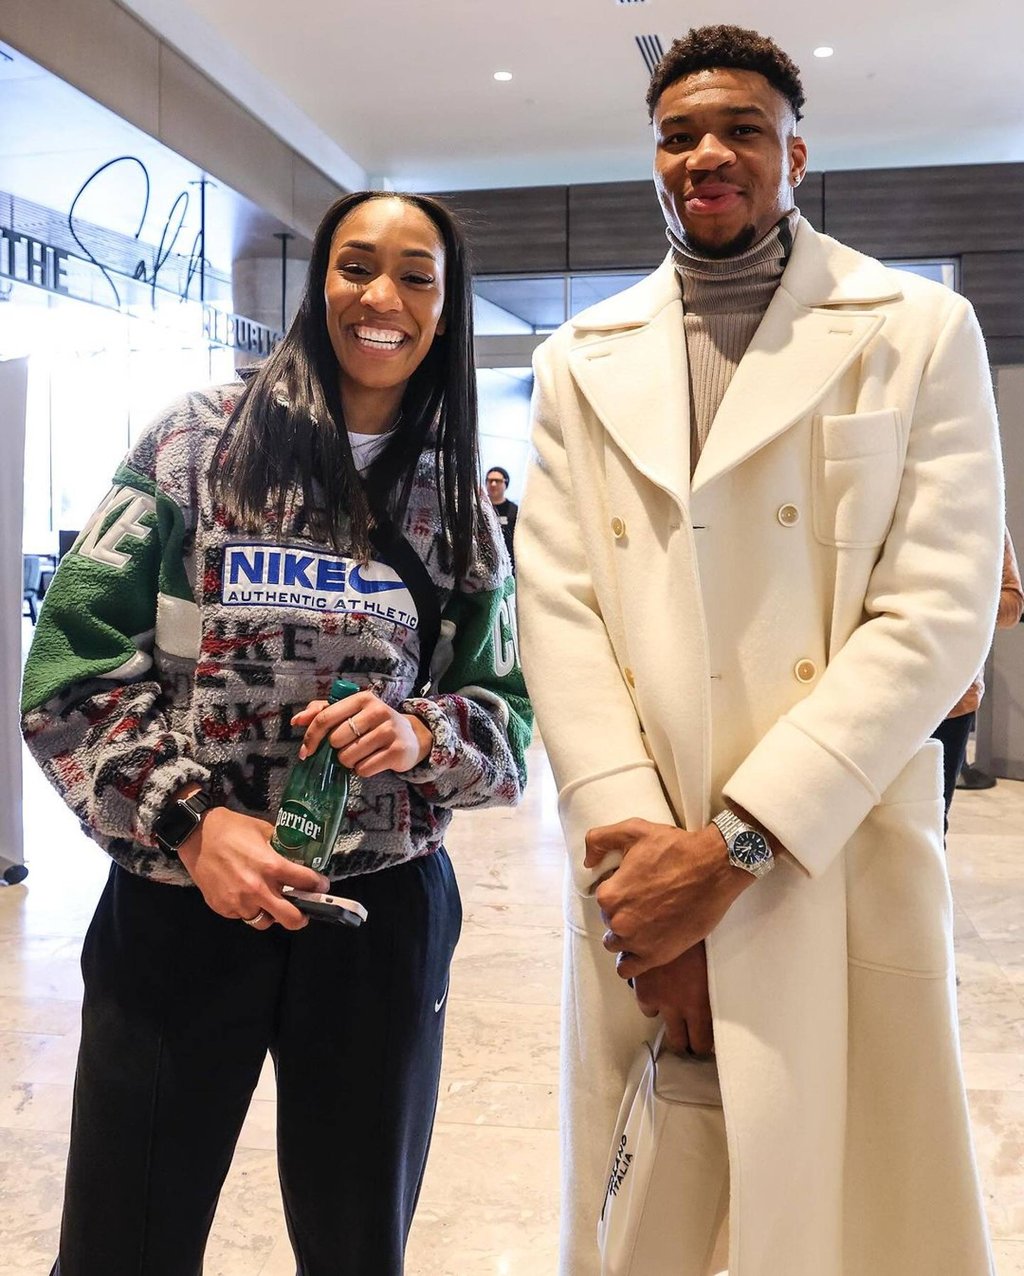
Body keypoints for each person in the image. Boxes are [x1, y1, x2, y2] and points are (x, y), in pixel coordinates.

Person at [516, 24, 1003, 1276]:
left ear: (795, 150)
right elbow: (560, 616)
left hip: (828, 854)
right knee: (655, 1216)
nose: (707, 154)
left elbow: (937, 608)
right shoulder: (578, 361)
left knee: (852, 1214)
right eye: (678, 135)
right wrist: (652, 893)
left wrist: (728, 857)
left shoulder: (916, 327)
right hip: (644, 872)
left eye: (739, 129)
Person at [21, 191, 531, 1276]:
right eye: (355, 265)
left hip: (375, 917)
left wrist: (418, 733)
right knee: (123, 1242)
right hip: (179, 899)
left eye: (415, 274)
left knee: (356, 1247)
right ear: (319, 284)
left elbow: (506, 723)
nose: (380, 297)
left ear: (447, 307)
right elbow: (68, 678)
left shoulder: (455, 491)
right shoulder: (194, 441)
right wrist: (194, 825)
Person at [934, 527, 1024, 818]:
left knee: (934, 818)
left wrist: (961, 607)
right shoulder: (889, 503)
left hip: (955, 696)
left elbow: (1013, 603)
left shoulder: (988, 518)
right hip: (881, 685)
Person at [485, 465, 518, 565]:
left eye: (497, 481)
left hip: (508, 564)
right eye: (490, 481)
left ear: (505, 483)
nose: (493, 484)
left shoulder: (514, 510)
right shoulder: (480, 508)